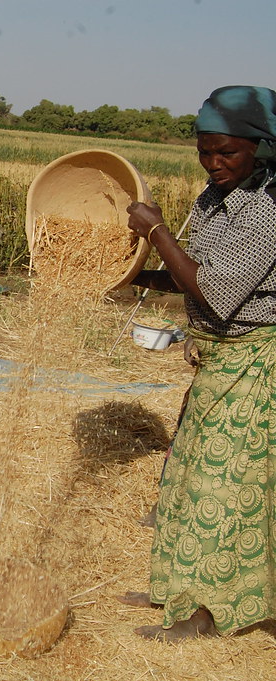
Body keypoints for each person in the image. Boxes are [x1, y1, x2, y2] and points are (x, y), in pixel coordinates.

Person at [121, 85, 276, 641]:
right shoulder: (216, 196)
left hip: (256, 363)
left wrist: (157, 230)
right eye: (204, 152)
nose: (213, 164)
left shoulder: (269, 206)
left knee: (225, 492)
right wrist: (133, 275)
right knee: (186, 481)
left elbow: (212, 290)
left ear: (259, 147)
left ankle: (206, 616)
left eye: (226, 153)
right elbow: (191, 273)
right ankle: (174, 592)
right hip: (218, 360)